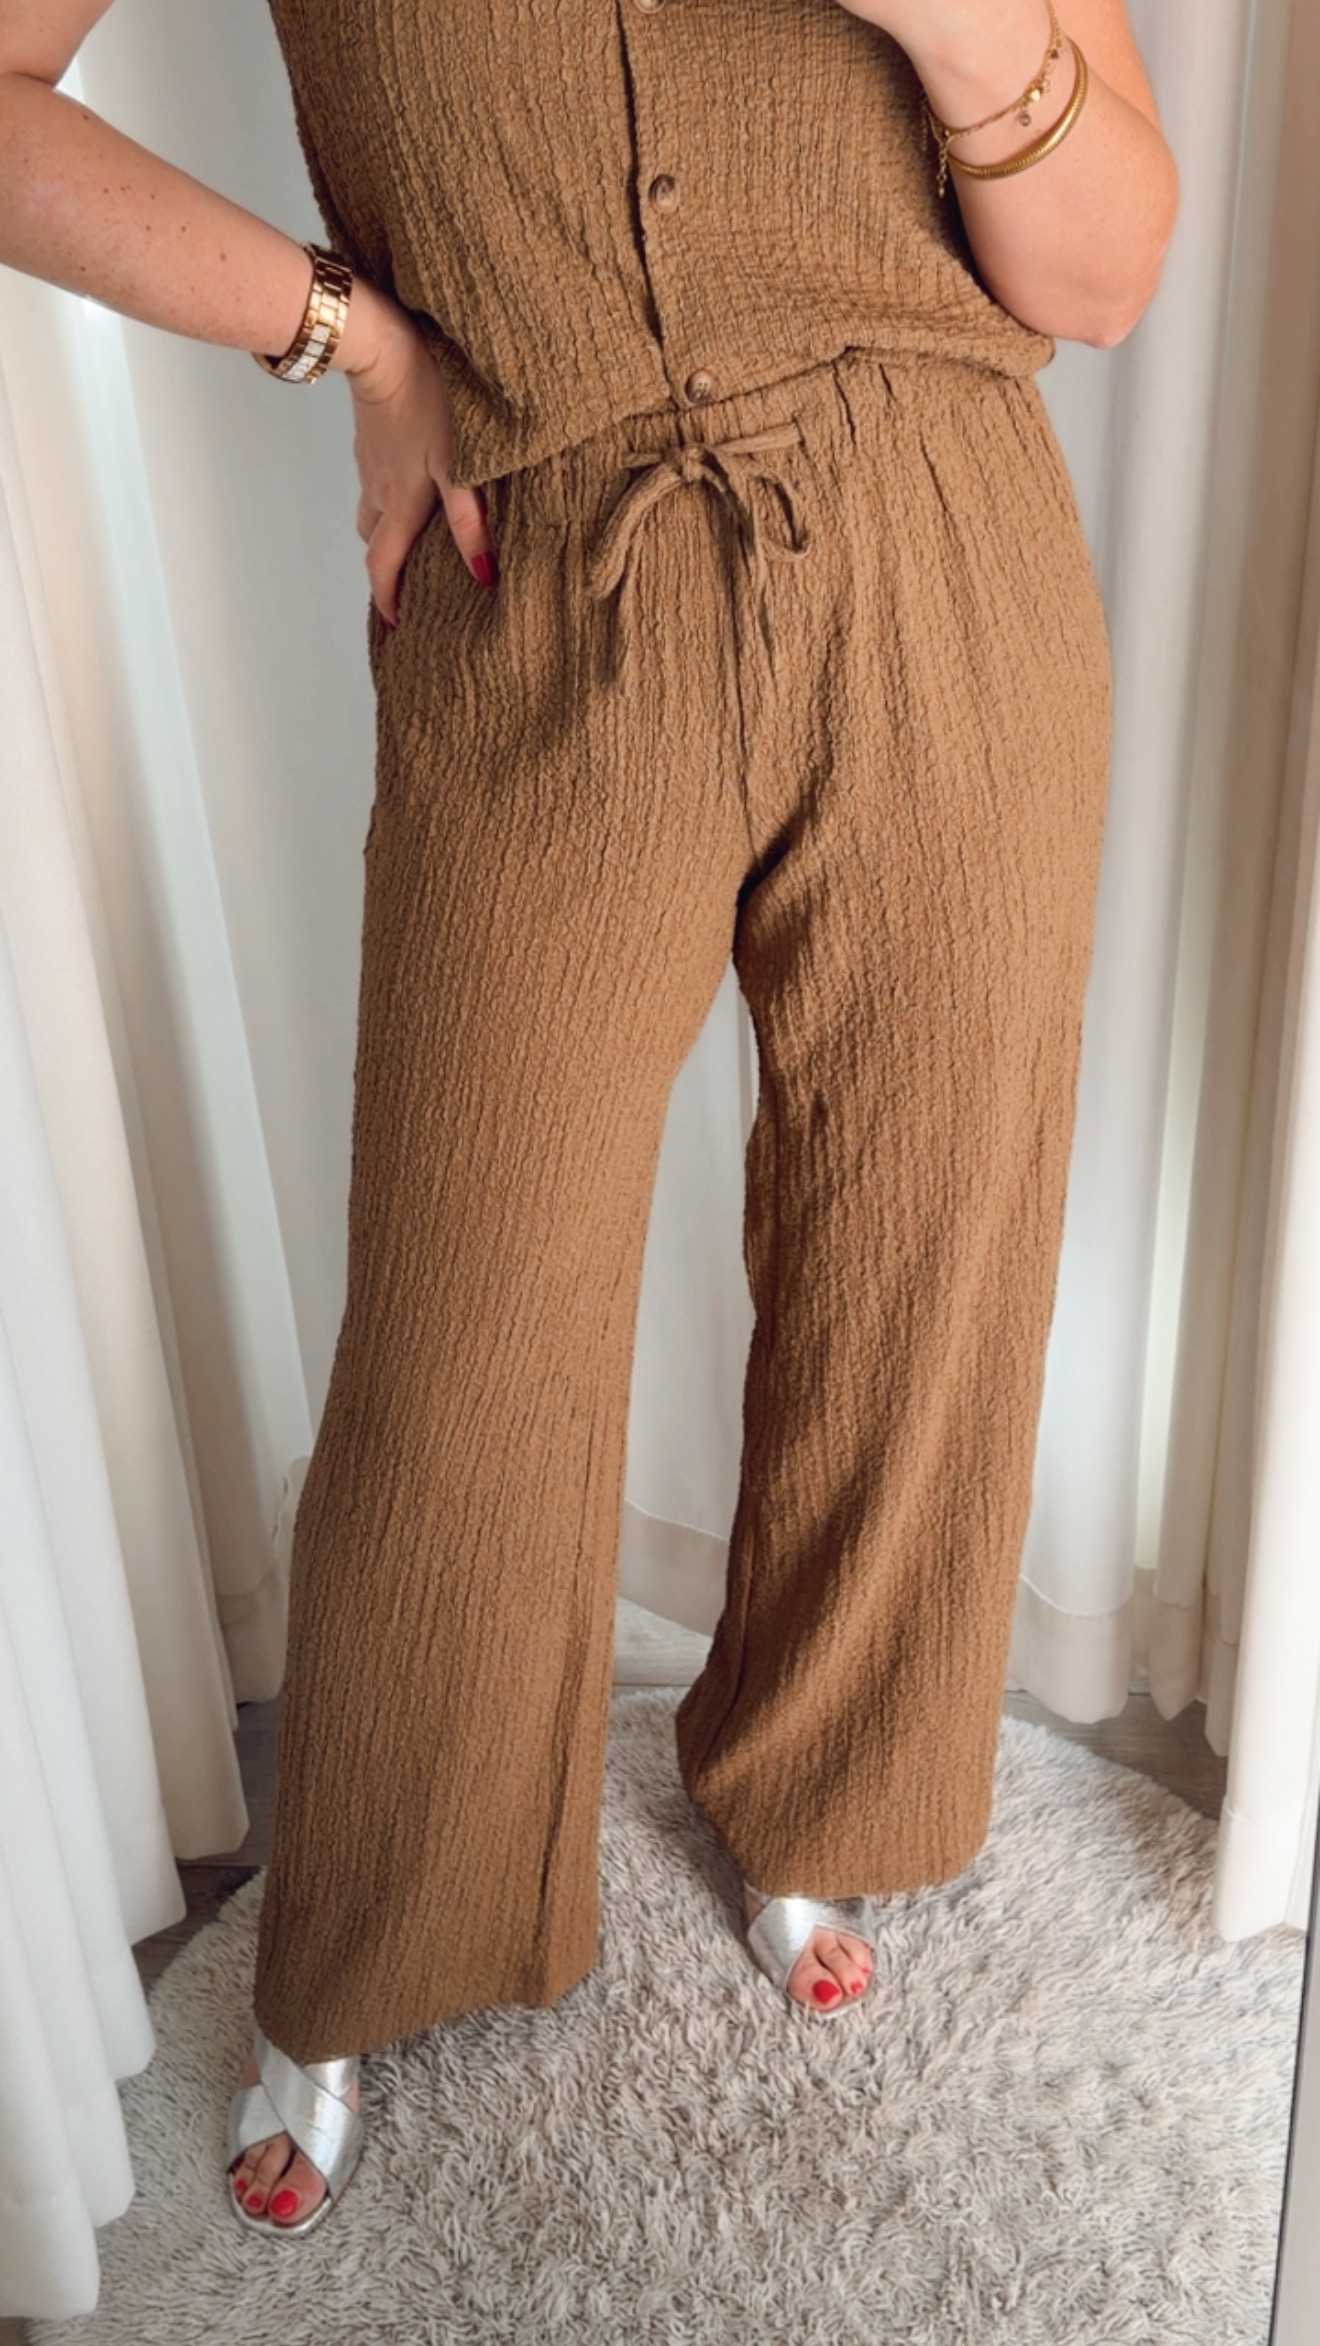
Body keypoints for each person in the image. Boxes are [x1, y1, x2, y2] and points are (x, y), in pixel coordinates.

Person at [0, 0, 1178, 2243]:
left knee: (923, 1241)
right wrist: (348, 337)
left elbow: (1108, 271)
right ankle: (382, 1928)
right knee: (463, 1335)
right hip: (533, 573)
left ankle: (828, 1780)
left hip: (948, 546)